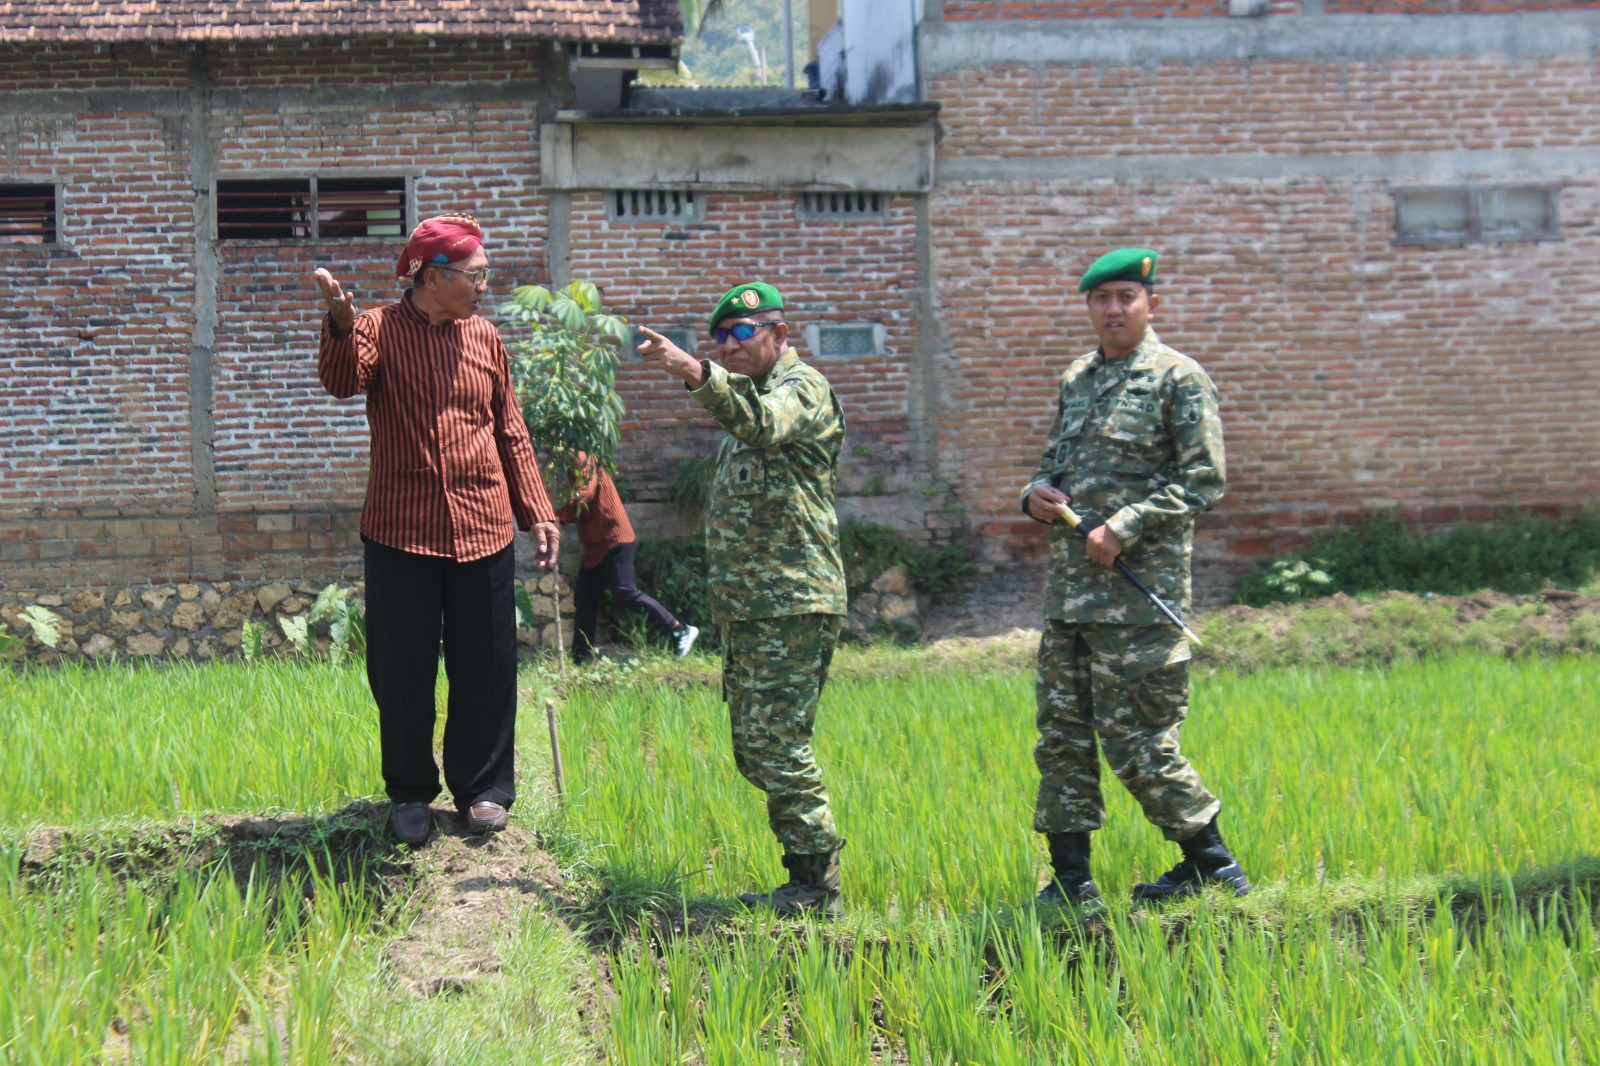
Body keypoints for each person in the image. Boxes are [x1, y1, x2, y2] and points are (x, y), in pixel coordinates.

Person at [313, 213, 560, 847]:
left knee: (486, 663)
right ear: (434, 275)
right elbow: (342, 383)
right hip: (401, 532)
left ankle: (481, 789)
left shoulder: (485, 339)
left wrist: (536, 510)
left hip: (482, 526)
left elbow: (510, 430)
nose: (485, 285)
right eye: (476, 275)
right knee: (403, 668)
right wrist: (339, 326)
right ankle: (411, 792)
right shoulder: (375, 328)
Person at [1021, 247, 1250, 905]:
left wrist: (1125, 524)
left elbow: (1205, 478)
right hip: (1069, 595)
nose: (1113, 309)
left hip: (1135, 598)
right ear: (1088, 308)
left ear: (1152, 303)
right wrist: (1035, 495)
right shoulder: (1077, 379)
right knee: (1060, 738)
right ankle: (1070, 882)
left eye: (1126, 296)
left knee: (1139, 740)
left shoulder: (1179, 379)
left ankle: (1213, 864)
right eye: (1102, 298)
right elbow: (1051, 467)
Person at [636, 283, 848, 918]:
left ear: (780, 335)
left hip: (792, 600)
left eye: (743, 333)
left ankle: (816, 884)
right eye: (720, 338)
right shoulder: (746, 399)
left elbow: (767, 425)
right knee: (755, 746)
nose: (729, 346)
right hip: (753, 607)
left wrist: (692, 371)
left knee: (779, 741)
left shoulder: (799, 388)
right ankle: (805, 875)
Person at [553, 452, 699, 663]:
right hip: (594, 545)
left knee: (625, 593)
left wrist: (557, 515)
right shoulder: (567, 461)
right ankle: (580, 659)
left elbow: (583, 494)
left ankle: (680, 629)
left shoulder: (582, 457)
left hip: (614, 539)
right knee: (585, 599)